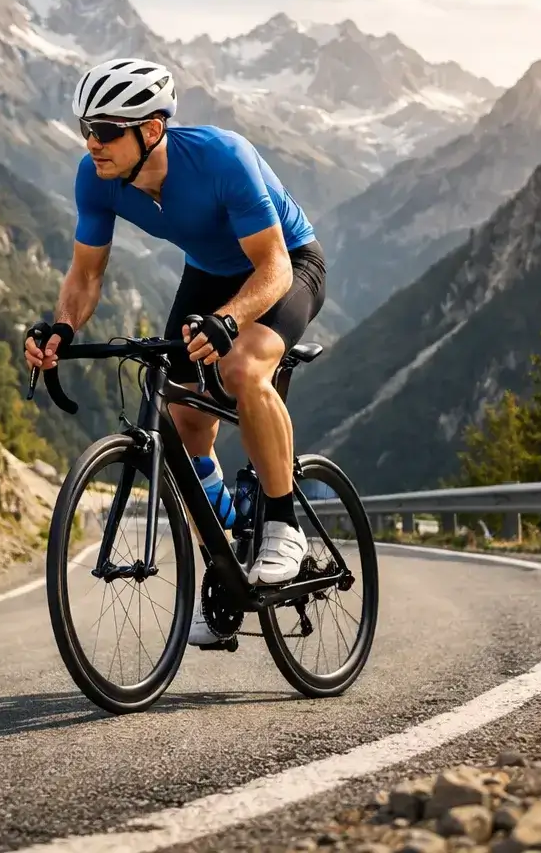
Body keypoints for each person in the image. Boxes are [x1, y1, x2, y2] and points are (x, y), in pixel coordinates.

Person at [24, 57, 326, 647]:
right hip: (209, 274)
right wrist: (62, 328)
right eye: (86, 128)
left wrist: (229, 321)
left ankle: (283, 523)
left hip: (286, 266)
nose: (92, 143)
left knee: (242, 368)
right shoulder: (96, 177)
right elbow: (85, 275)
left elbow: (273, 268)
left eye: (106, 130)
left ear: (152, 129)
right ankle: (224, 567)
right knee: (182, 418)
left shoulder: (221, 157)